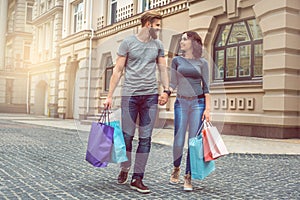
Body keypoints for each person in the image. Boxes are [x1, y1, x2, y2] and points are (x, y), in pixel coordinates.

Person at [103, 10, 170, 194]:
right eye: (157, 26)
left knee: (146, 138)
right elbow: (117, 70)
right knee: (127, 137)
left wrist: (166, 90)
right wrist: (109, 96)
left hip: (150, 97)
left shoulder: (158, 45)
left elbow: (163, 69)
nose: (159, 29)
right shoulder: (128, 43)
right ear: (148, 24)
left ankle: (137, 177)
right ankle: (125, 167)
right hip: (129, 97)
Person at [168, 31, 210, 191]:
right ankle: (176, 167)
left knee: (193, 142)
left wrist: (208, 109)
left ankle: (188, 176)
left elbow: (206, 88)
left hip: (198, 104)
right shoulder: (177, 60)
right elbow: (173, 83)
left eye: (185, 39)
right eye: (181, 39)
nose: (182, 41)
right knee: (178, 140)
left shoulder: (203, 63)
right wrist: (166, 93)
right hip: (181, 103)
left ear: (193, 42)